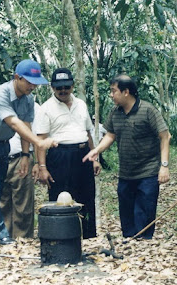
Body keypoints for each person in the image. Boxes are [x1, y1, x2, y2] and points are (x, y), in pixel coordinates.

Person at [0, 59, 57, 245]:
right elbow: (14, 123)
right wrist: (40, 143)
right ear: (17, 78)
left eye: (36, 83)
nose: (33, 86)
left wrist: (26, 155)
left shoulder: (28, 99)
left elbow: (25, 124)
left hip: (2, 144)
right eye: (29, 82)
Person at [83, 74, 170, 239]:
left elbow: (165, 136)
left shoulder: (148, 110)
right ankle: (130, 245)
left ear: (126, 92)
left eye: (113, 91)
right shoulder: (115, 112)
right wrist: (97, 150)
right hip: (126, 173)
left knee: (144, 214)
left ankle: (143, 247)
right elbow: (110, 135)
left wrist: (164, 166)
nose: (111, 95)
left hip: (148, 172)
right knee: (127, 215)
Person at [36, 67, 101, 239]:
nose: (63, 90)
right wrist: (42, 167)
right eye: (59, 88)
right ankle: (62, 236)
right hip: (59, 156)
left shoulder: (81, 104)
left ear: (72, 86)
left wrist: (94, 158)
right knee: (60, 197)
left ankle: (88, 235)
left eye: (66, 86)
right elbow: (41, 141)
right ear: (52, 87)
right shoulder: (46, 108)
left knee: (87, 196)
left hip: (83, 154)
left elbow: (88, 133)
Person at [0, 102, 40, 239]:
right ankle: (4, 238)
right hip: (0, 159)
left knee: (23, 205)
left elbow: (37, 136)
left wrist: (37, 163)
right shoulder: (0, 104)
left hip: (22, 158)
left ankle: (22, 240)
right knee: (2, 203)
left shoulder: (33, 107)